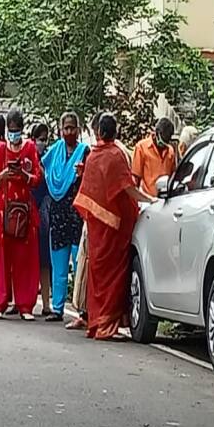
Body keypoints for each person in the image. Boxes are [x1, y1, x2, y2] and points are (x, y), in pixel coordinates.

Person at [74, 114, 155, 340]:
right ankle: (107, 326)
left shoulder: (93, 156)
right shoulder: (116, 155)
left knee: (98, 273)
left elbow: (89, 194)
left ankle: (97, 322)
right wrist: (150, 200)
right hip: (116, 226)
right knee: (114, 274)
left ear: (99, 132)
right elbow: (127, 188)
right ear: (115, 132)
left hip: (97, 227)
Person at [0, 108, 42, 321]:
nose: (14, 134)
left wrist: (24, 174)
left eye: (17, 130)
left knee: (25, 258)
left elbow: (37, 178)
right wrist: (3, 175)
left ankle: (25, 304)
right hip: (3, 209)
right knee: (1, 257)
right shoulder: (0, 150)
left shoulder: (29, 148)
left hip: (24, 209)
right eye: (11, 130)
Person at [42, 112, 89, 322]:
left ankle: (83, 309)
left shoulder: (84, 152)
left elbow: (90, 180)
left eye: (72, 128)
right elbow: (44, 172)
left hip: (77, 214)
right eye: (66, 128)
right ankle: (57, 307)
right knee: (58, 264)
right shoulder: (53, 152)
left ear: (78, 130)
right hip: (58, 213)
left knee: (80, 264)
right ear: (61, 130)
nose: (69, 132)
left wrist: (82, 174)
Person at [31, 123, 52, 316]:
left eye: (45, 139)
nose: (42, 143)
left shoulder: (50, 159)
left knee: (45, 261)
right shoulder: (28, 158)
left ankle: (46, 303)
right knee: (25, 259)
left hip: (44, 213)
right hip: (28, 211)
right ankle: (23, 301)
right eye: (40, 138)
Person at [132, 117, 176, 198]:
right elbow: (136, 178)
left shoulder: (170, 151)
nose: (163, 144)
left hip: (166, 199)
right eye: (163, 139)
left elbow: (173, 175)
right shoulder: (141, 147)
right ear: (157, 133)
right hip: (148, 199)